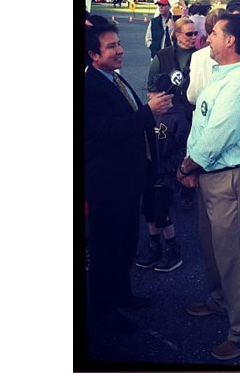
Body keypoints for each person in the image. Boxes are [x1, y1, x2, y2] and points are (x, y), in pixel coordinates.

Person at [177, 13, 240, 361]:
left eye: (213, 33)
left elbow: (216, 138)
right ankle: (219, 301)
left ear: (230, 41)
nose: (207, 37)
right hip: (211, 173)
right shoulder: (220, 74)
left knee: (235, 257)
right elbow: (202, 125)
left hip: (233, 177)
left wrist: (186, 166)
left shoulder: (239, 84)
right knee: (214, 248)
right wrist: (192, 166)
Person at [85, 23, 174, 332]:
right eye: (111, 46)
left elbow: (127, 119)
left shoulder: (113, 77)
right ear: (93, 55)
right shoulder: (89, 87)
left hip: (127, 181)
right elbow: (109, 130)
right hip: (107, 184)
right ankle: (103, 309)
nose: (120, 50)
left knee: (125, 243)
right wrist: (149, 112)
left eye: (119, 43)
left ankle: (122, 293)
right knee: (106, 248)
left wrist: (150, 111)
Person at [135, 73, 189, 272]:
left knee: (161, 212)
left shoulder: (178, 119)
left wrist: (168, 166)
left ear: (167, 95)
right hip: (149, 172)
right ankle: (154, 247)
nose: (149, 95)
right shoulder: (147, 114)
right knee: (148, 211)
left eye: (154, 92)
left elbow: (184, 148)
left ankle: (173, 250)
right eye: (149, 92)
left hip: (166, 174)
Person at [147, 17, 198, 122]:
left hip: (193, 114)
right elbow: (151, 87)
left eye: (195, 33)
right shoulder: (162, 55)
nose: (194, 37)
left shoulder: (200, 56)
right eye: (189, 34)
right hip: (168, 115)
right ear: (178, 35)